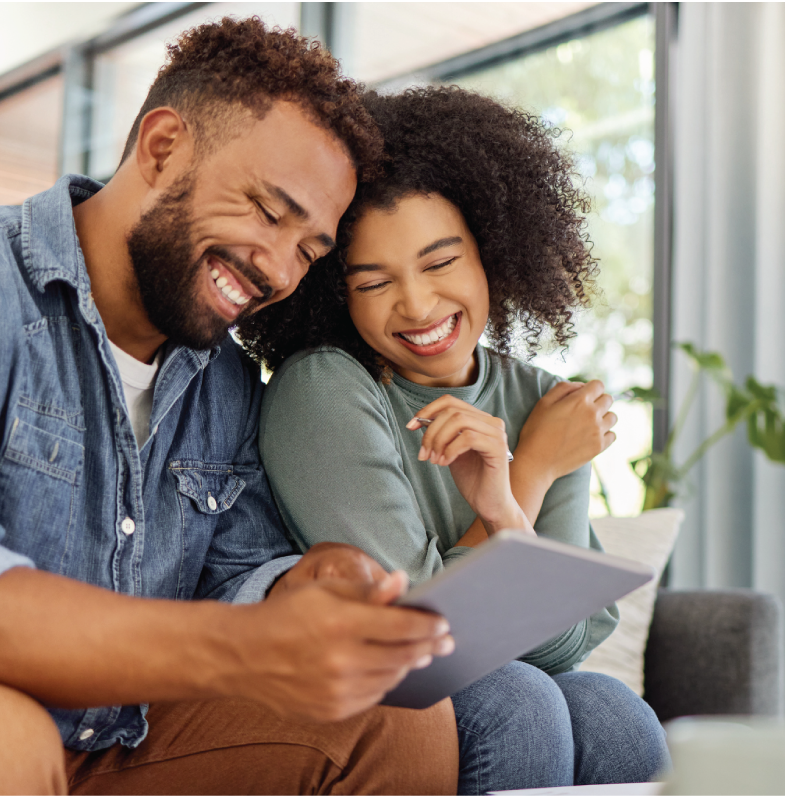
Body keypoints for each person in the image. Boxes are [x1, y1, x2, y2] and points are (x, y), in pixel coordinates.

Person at [0, 19, 462, 795]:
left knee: (398, 714)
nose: (279, 270)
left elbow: (235, 575)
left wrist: (300, 587)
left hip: (113, 742)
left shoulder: (224, 380)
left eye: (309, 248)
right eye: (267, 210)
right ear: (162, 150)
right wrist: (243, 643)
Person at [240, 86, 672, 792]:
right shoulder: (325, 388)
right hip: (363, 692)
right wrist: (526, 473)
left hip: (498, 681)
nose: (415, 304)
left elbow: (563, 643)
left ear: (492, 254)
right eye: (374, 281)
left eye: (440, 263)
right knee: (517, 701)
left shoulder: (541, 398)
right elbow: (418, 634)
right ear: (336, 294)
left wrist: (504, 510)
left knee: (612, 710)